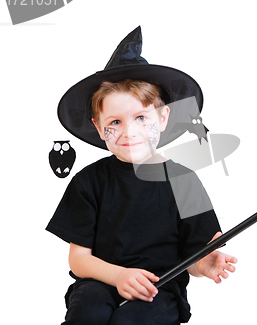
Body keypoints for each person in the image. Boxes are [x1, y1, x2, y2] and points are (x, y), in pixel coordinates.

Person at [46, 27, 236, 325]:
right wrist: (119, 275)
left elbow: (196, 253)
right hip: (99, 282)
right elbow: (78, 259)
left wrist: (204, 263)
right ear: (99, 127)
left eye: (140, 118)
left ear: (162, 119)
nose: (128, 131)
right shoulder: (88, 182)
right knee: (88, 313)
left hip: (159, 288)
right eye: (115, 122)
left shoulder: (183, 180)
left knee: (131, 320)